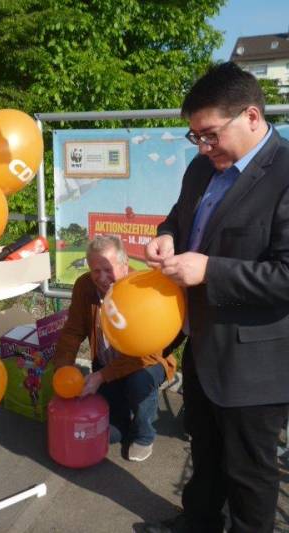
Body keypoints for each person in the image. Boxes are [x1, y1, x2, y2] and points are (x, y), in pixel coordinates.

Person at [144, 62, 289, 533]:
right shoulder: (201, 167)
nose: (204, 147)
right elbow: (178, 216)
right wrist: (166, 235)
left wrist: (209, 270)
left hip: (256, 362)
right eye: (196, 137)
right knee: (204, 451)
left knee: (249, 473)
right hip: (202, 344)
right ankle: (198, 523)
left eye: (210, 135)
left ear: (251, 116)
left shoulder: (285, 174)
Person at [54, 235, 176, 462]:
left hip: (144, 364)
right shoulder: (84, 286)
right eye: (95, 271)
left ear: (124, 264)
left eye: (108, 269)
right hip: (106, 364)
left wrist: (101, 376)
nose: (101, 278)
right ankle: (125, 413)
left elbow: (149, 354)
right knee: (112, 434)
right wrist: (63, 367)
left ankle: (144, 435)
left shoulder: (142, 290)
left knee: (139, 382)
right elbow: (72, 331)